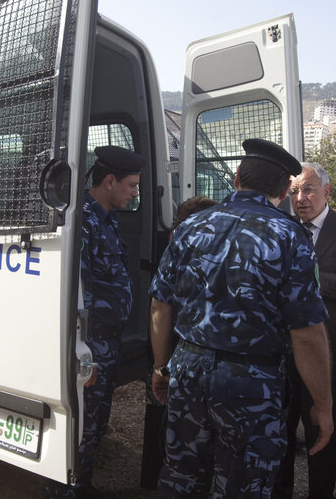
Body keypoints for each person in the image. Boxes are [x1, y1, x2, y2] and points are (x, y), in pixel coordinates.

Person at [149, 138, 334, 498]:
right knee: (242, 484)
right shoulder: (291, 237)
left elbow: (160, 305)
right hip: (253, 385)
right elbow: (308, 333)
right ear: (284, 190)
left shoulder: (191, 226)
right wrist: (323, 405)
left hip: (188, 371)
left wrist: (160, 367)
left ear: (236, 178)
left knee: (182, 476)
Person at [44, 145, 146, 499]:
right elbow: (74, 293)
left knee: (95, 425)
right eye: (131, 185)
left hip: (107, 340)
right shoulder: (82, 222)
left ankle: (80, 486)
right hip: (90, 342)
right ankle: (63, 491)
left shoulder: (105, 218)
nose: (135, 192)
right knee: (79, 427)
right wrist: (82, 351)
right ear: (109, 180)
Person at [275, 163, 336, 499]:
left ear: (327, 191)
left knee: (323, 433)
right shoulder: (281, 228)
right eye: (294, 192)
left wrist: (310, 275)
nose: (301, 199)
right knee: (280, 434)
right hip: (282, 352)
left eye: (308, 189)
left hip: (329, 352)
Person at [140, 195, 218, 490]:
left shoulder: (177, 245)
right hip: (181, 349)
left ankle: (154, 476)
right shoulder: (196, 246)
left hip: (173, 349)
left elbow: (159, 306)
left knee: (175, 433)